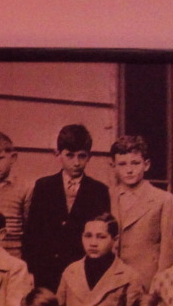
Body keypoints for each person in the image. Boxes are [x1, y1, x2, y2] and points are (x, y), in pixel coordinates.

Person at [22, 124, 111, 292]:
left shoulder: (99, 190)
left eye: (81, 156)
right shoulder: (44, 186)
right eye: (70, 156)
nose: (76, 162)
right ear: (58, 155)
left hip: (83, 273)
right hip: (47, 271)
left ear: (89, 157)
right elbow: (32, 233)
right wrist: (30, 270)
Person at [57, 213, 144, 306]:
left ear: (115, 240)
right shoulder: (71, 271)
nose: (93, 243)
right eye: (88, 236)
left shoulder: (128, 277)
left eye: (101, 237)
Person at [108, 134, 173, 289]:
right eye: (122, 164)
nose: (129, 170)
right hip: (111, 282)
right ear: (113, 166)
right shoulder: (107, 197)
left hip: (146, 282)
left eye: (135, 163)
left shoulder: (164, 200)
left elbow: (169, 250)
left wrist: (159, 285)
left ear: (146, 165)